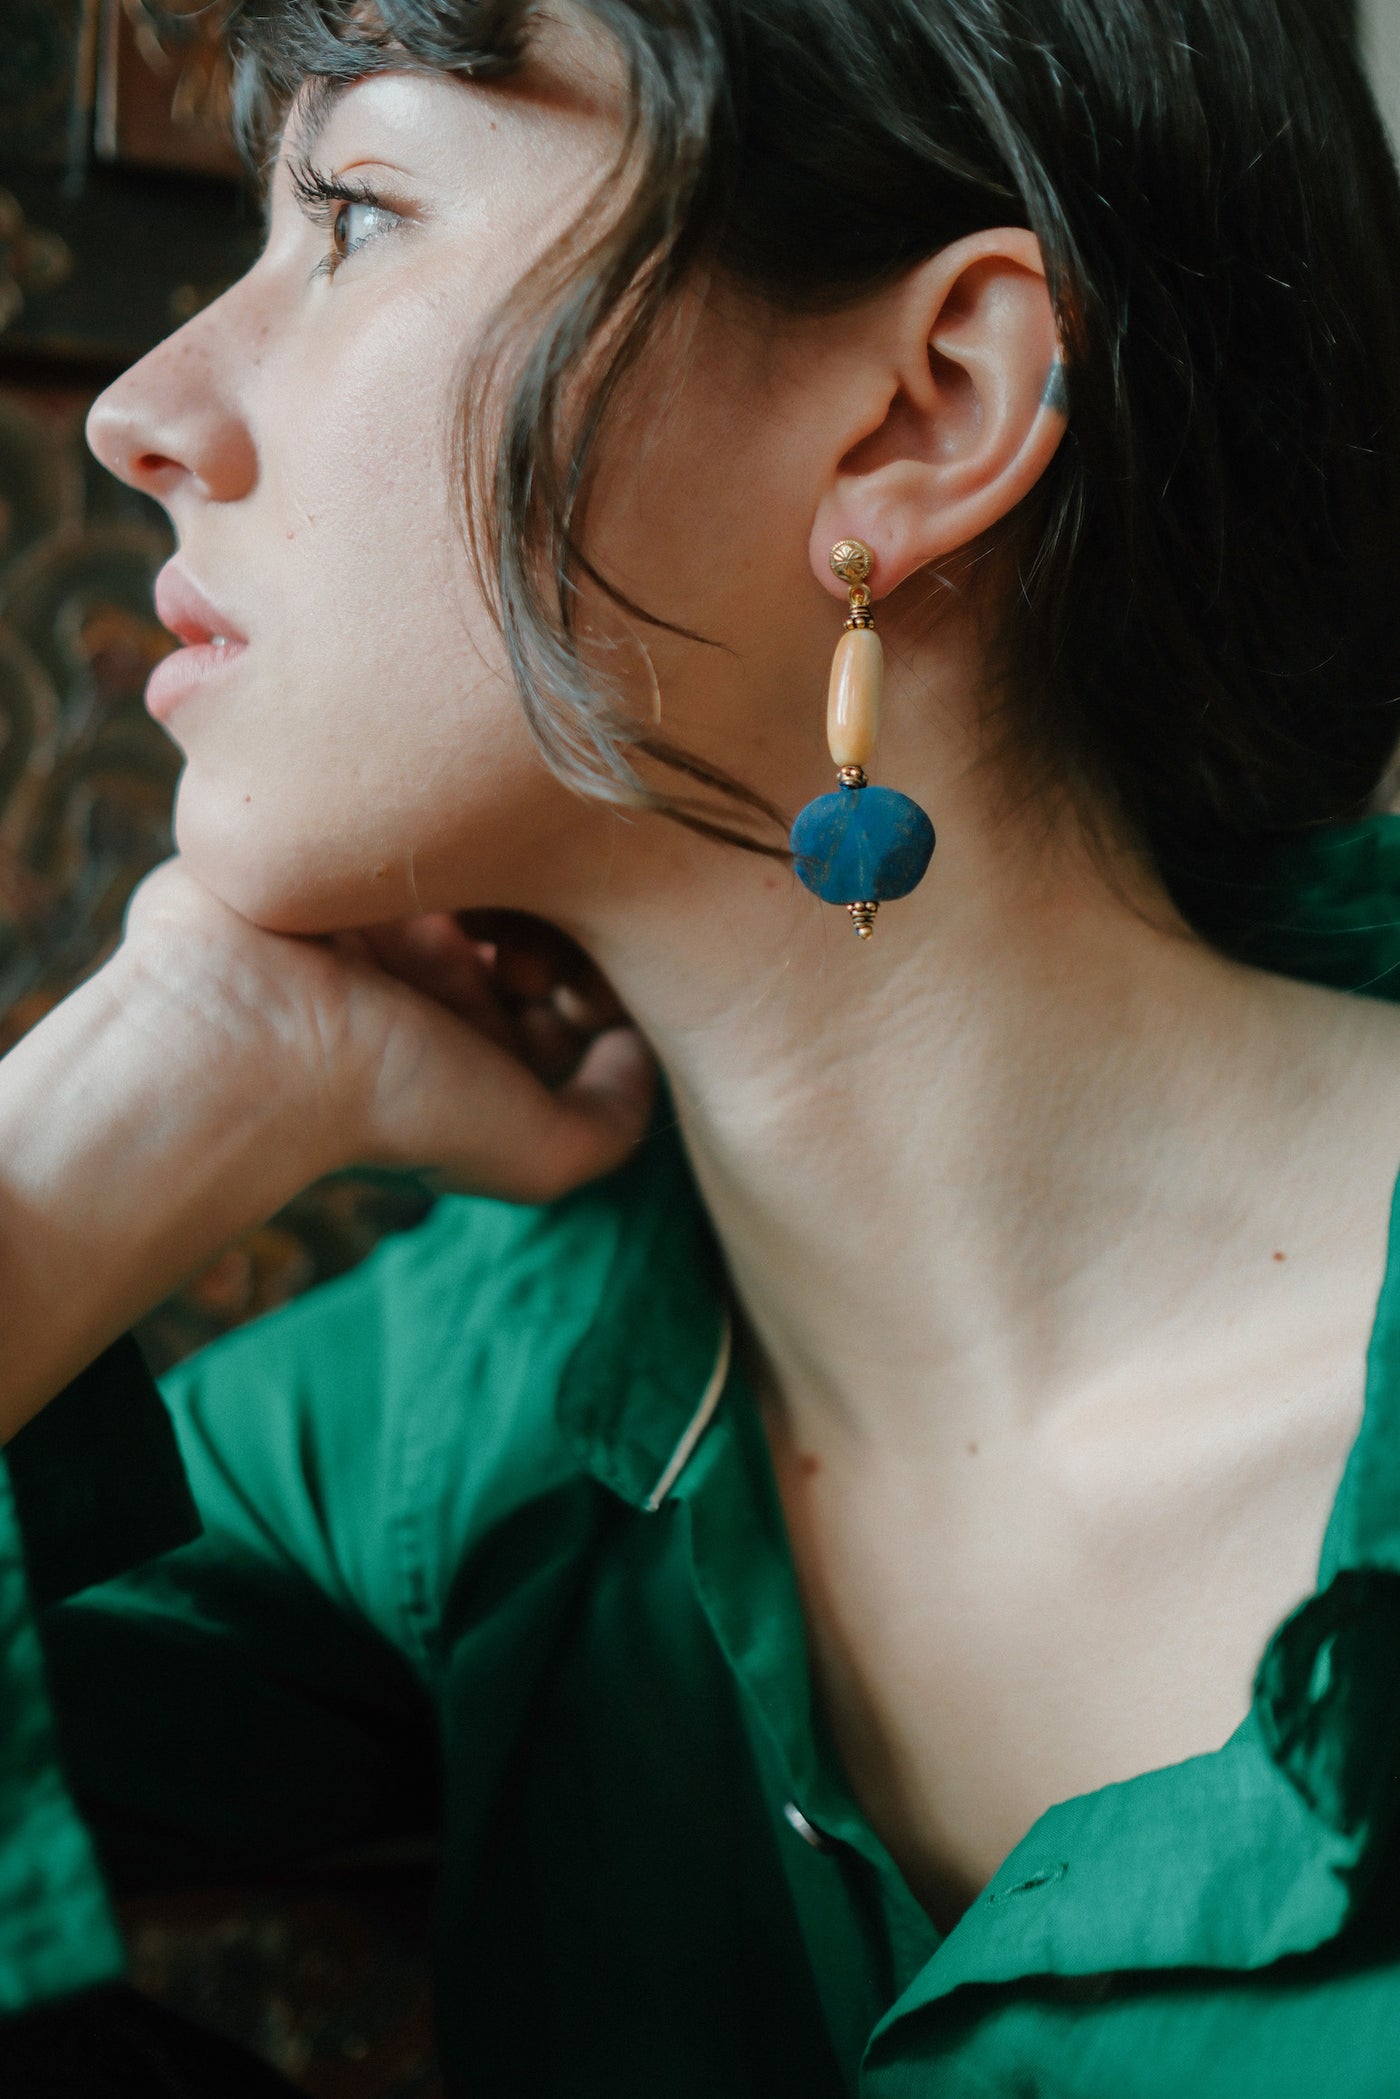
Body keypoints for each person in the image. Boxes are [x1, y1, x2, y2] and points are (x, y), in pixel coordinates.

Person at [3, 0, 1400, 2090]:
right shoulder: (465, 1412)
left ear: (923, 409)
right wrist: (113, 1112)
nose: (145, 409)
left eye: (361, 212)